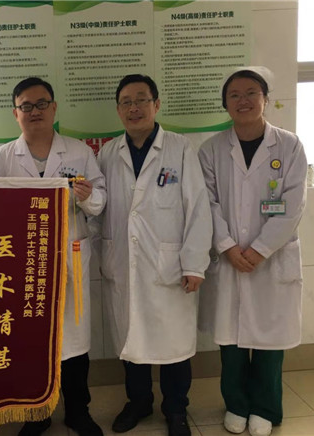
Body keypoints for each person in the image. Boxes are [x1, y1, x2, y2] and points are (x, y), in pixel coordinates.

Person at [0, 77, 106, 436]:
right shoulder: (2, 158)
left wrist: (87, 196)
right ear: (16, 113)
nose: (34, 111)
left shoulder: (79, 152)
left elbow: (101, 201)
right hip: (23, 263)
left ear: (54, 109)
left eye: (41, 104)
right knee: (31, 340)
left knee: (74, 341)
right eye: (26, 106)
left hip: (69, 256)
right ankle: (37, 413)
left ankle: (78, 411)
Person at [97, 74, 212, 436]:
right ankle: (139, 403)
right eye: (126, 102)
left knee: (174, 345)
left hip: (170, 265)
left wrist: (195, 264)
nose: (134, 108)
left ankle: (176, 409)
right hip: (123, 263)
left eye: (141, 100)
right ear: (118, 110)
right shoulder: (108, 153)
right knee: (132, 341)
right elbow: (99, 208)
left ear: (156, 104)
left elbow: (198, 209)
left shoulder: (180, 148)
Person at [197, 67, 307, 436]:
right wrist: (227, 247)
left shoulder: (289, 146)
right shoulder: (211, 150)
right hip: (229, 257)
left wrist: (260, 250)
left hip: (272, 259)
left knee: (270, 340)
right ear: (225, 104)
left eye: (251, 93)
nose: (243, 101)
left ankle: (265, 407)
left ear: (265, 99)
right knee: (230, 341)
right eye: (234, 95)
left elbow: (293, 205)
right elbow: (207, 203)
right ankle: (236, 404)